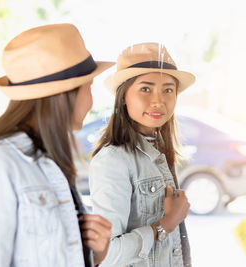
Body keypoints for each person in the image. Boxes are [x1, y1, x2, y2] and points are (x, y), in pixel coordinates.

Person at [0, 24, 115, 267]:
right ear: (66, 95)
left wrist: (94, 254)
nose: (91, 101)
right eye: (89, 87)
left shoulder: (50, 160)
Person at [89, 42, 196, 266]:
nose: (158, 101)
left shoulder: (160, 152)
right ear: (123, 96)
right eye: (145, 89)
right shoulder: (113, 159)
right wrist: (166, 224)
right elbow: (105, 255)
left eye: (168, 90)